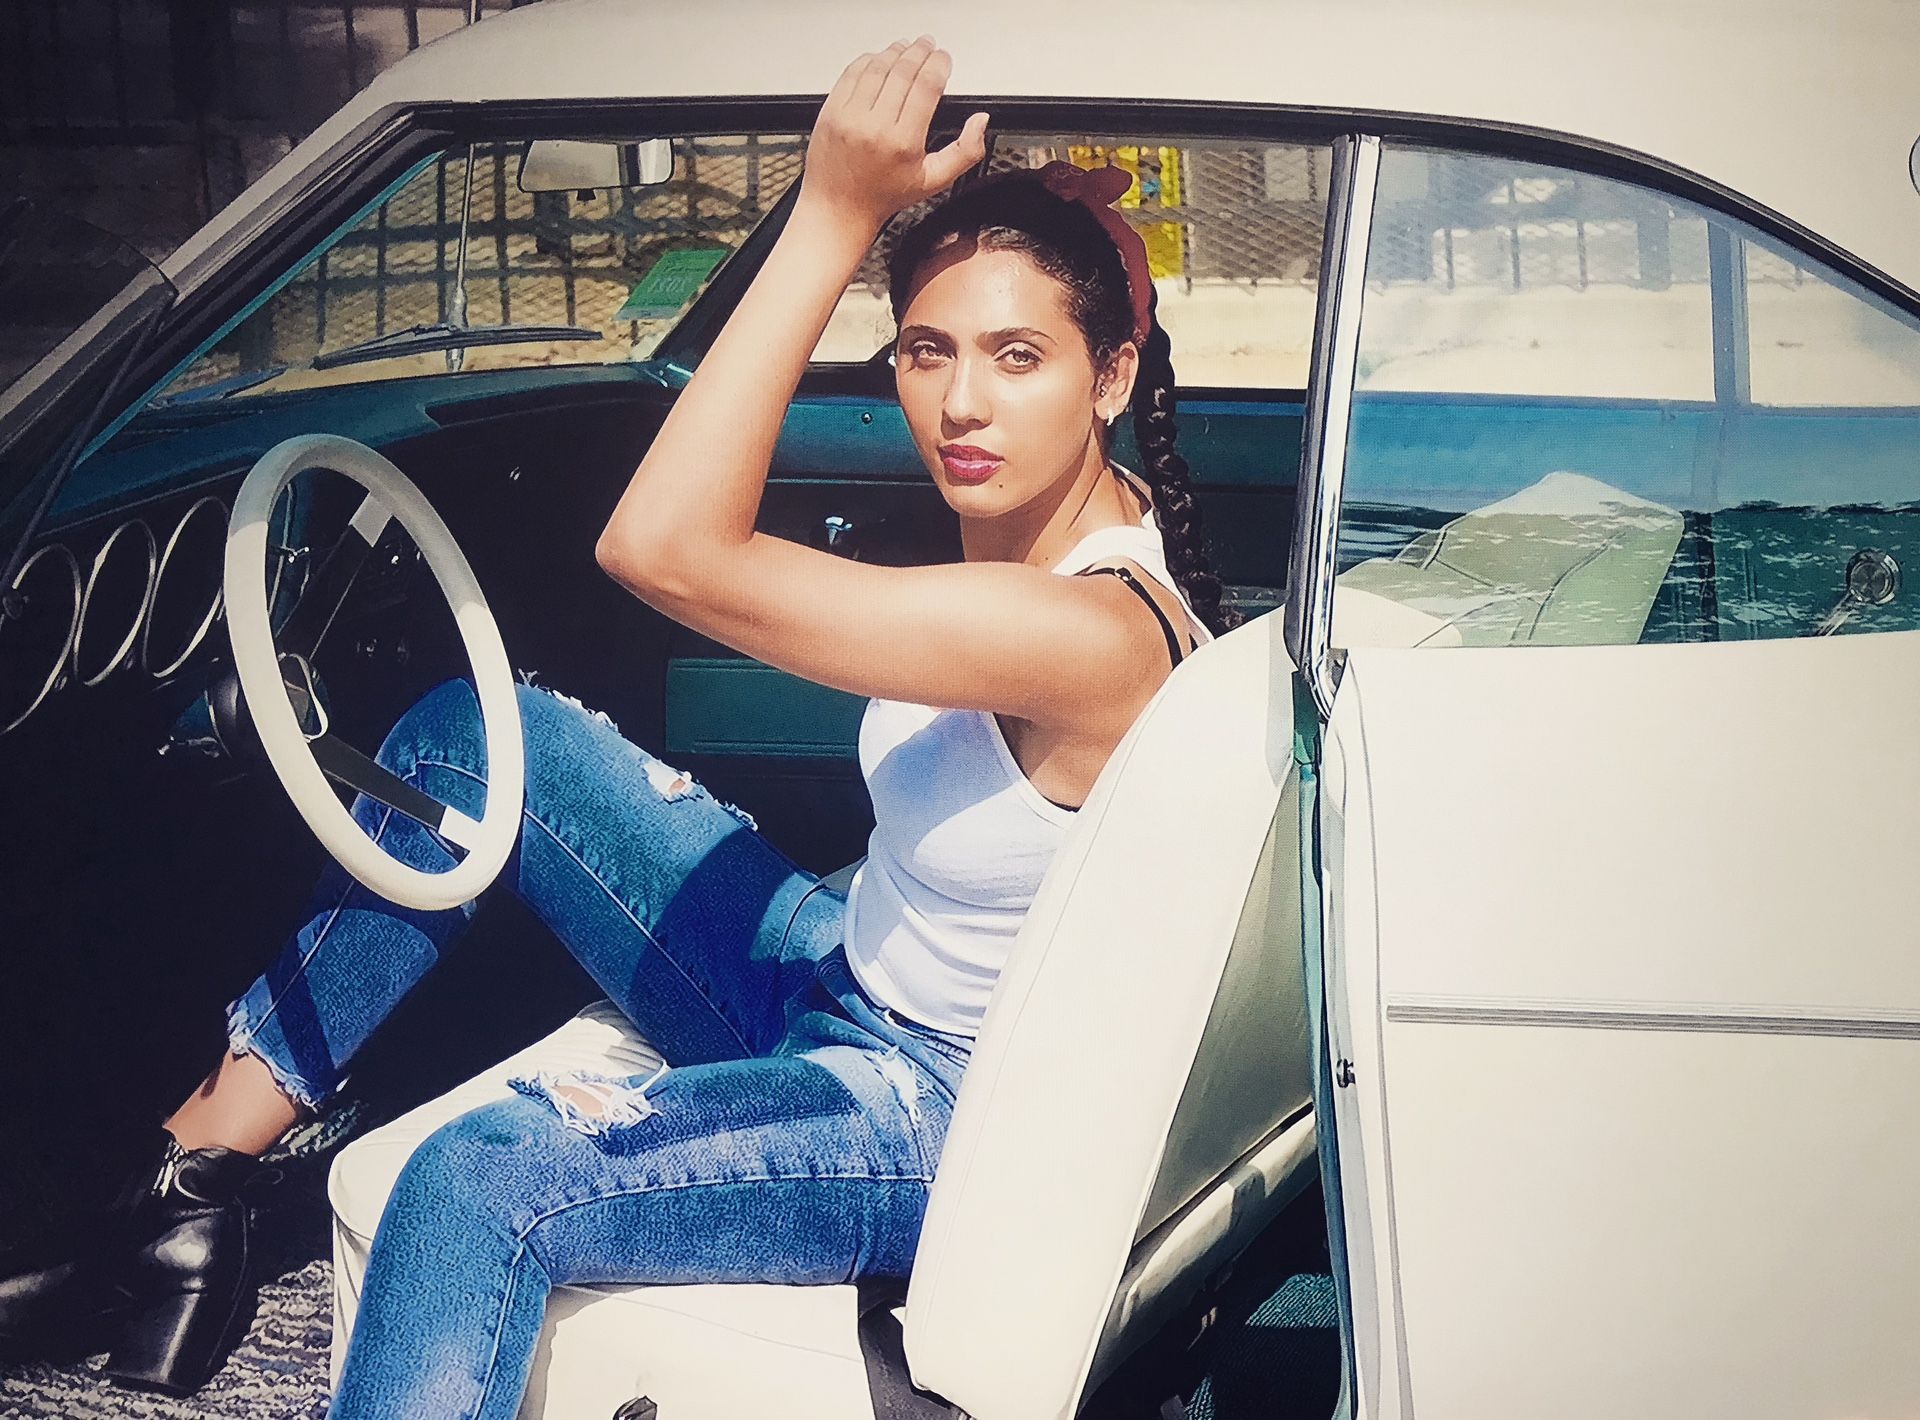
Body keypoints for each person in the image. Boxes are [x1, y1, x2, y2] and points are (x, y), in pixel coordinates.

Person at [0, 35, 1239, 1417]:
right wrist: (1082, 250)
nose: (960, 403)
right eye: (926, 349)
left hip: (934, 1109)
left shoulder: (1079, 634)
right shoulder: (1076, 532)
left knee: (476, 1182)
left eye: (1019, 357)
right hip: (840, 967)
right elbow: (1080, 330)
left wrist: (835, 208)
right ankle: (185, 1191)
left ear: (1110, 376)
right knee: (477, 743)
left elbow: (659, 545)